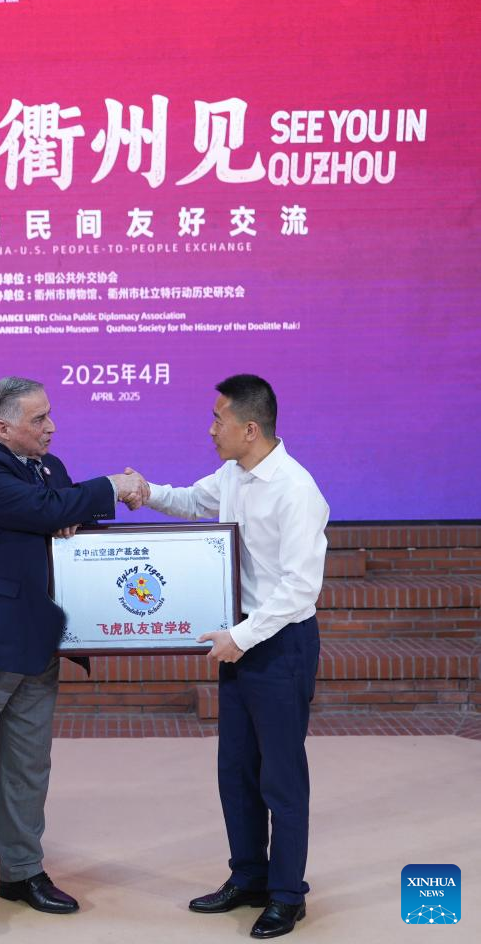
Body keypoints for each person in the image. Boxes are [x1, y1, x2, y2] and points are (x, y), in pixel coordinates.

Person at [0, 376, 144, 938]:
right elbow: (45, 510)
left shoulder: (50, 468)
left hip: (36, 642)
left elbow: (64, 515)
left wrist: (65, 511)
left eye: (49, 415)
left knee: (28, 770)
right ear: (3, 427)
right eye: (38, 419)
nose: (51, 427)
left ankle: (21, 873)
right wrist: (108, 487)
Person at [129, 374, 328, 940]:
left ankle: (287, 895)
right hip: (243, 639)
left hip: (280, 643)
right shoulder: (235, 474)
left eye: (219, 420)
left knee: (281, 775)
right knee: (237, 769)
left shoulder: (296, 490)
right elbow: (194, 501)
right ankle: (248, 878)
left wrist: (243, 636)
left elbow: (299, 588)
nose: (211, 429)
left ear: (251, 428)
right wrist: (145, 492)